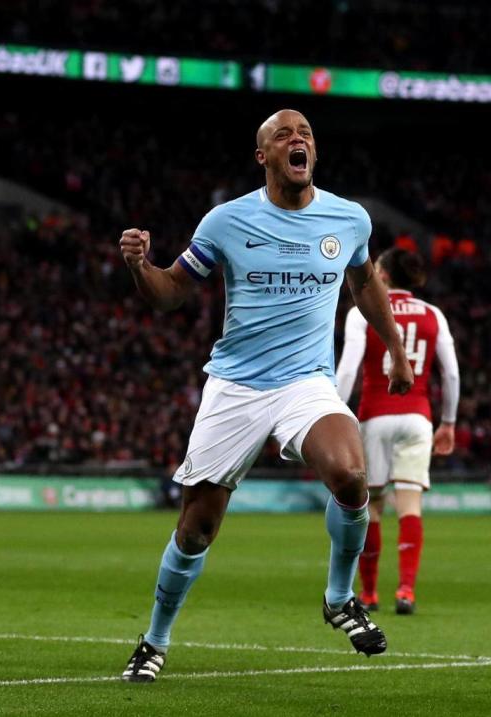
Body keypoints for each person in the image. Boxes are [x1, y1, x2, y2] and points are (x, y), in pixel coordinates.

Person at [117, 109, 414, 683]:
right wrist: (139, 266)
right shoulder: (227, 222)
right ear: (264, 156)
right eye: (284, 134)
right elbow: (170, 293)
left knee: (352, 474)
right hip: (236, 387)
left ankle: (338, 596)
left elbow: (364, 283)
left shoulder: (348, 219)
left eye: (305, 134)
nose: (297, 140)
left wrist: (396, 349)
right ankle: (153, 640)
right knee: (197, 527)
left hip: (307, 383)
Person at [336, 247, 459, 615]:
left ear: (384, 276)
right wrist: (449, 423)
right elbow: (450, 374)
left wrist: (337, 416)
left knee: (371, 506)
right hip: (418, 417)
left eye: (375, 268)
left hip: (375, 415)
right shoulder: (433, 314)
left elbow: (347, 371)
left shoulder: (363, 313)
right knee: (410, 505)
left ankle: (370, 594)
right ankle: (406, 590)